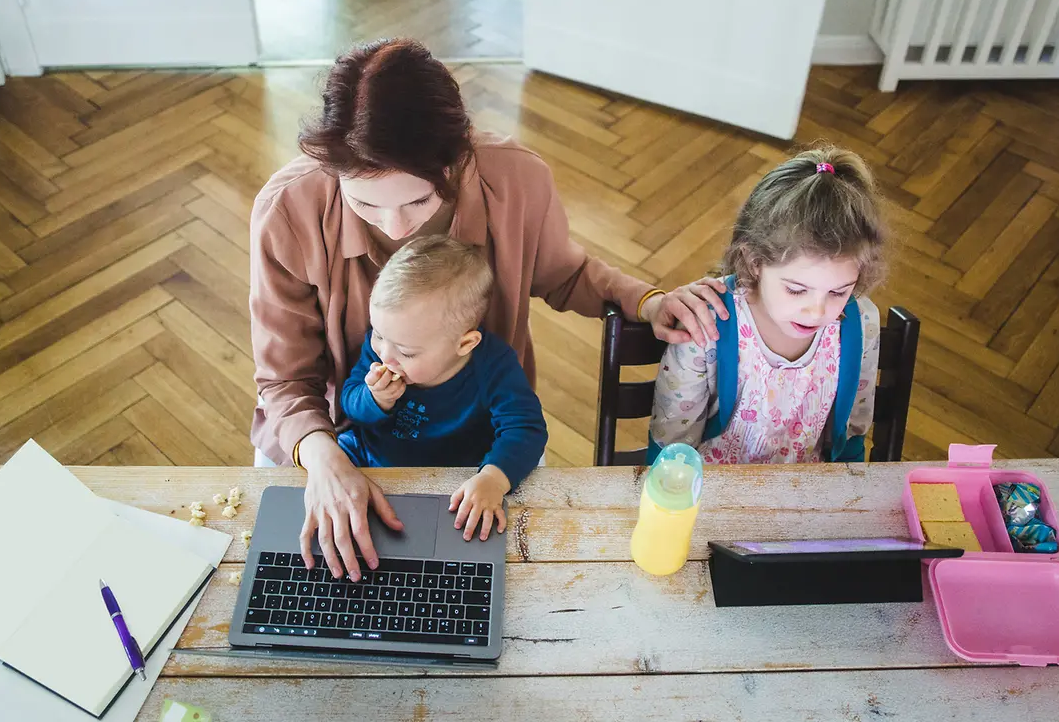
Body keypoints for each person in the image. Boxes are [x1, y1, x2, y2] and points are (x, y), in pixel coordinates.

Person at [248, 38, 727, 582]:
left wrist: (647, 299)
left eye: (419, 202)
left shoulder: (517, 180)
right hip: (337, 436)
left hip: (482, 441)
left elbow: (564, 273)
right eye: (364, 204)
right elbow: (285, 380)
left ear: (459, 160)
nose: (394, 228)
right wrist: (325, 459)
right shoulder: (287, 211)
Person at [649, 145, 888, 464]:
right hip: (711, 495)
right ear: (754, 261)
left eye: (838, 292)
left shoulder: (862, 325)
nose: (817, 312)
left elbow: (851, 438)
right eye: (796, 290)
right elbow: (671, 450)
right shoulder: (705, 325)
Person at [340, 235, 544, 545]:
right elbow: (349, 402)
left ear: (465, 344)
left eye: (407, 353)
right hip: (373, 463)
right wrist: (373, 399)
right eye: (378, 335)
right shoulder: (384, 348)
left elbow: (526, 429)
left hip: (458, 480)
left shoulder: (493, 365)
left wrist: (493, 478)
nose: (386, 356)